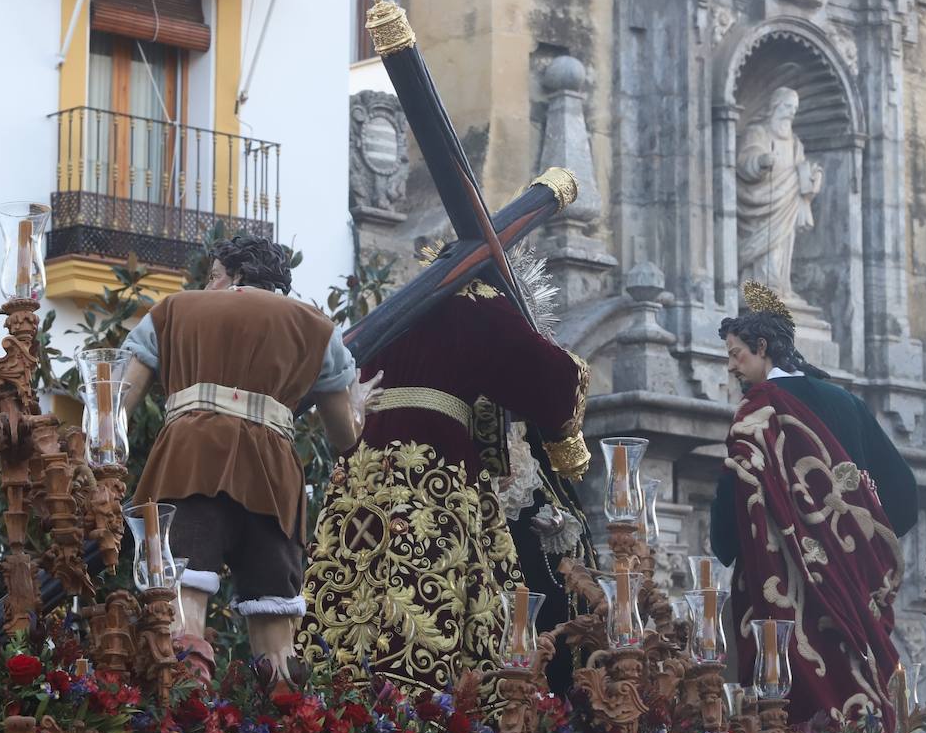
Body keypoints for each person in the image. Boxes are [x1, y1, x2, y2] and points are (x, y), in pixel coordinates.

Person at [300, 248, 591, 693]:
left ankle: (331, 707)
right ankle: (421, 717)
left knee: (347, 586)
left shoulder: (406, 304)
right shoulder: (479, 301)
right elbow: (549, 377)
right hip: (433, 460)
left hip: (363, 464)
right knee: (427, 586)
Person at [120, 234, 371, 681]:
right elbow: (344, 436)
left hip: (189, 461)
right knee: (276, 620)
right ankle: (284, 725)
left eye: (213, 275)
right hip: (272, 478)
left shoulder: (173, 310)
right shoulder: (317, 329)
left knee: (183, 596)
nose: (210, 286)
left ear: (235, 274)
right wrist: (359, 404)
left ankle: (181, 705)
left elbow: (118, 402)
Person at [710, 281, 916, 728]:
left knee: (784, 724)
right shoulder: (847, 403)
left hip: (779, 597)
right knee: (862, 717)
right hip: (855, 589)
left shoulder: (755, 415)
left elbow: (726, 530)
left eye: (735, 354)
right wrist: (857, 547)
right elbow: (903, 496)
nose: (731, 367)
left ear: (762, 347)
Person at [736, 87, 825, 301]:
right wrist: (760, 162)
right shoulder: (758, 132)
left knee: (783, 250)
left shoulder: (795, 143)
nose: (791, 112)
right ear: (775, 107)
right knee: (767, 253)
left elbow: (802, 169)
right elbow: (743, 161)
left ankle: (780, 288)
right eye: (787, 106)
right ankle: (762, 291)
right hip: (760, 204)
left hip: (787, 205)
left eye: (794, 108)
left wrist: (813, 177)